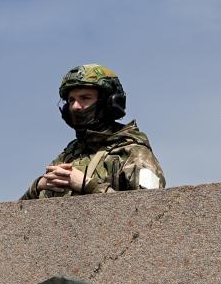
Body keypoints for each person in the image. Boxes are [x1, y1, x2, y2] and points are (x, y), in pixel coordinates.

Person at [21, 64, 166, 200]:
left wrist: (87, 185)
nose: (75, 106)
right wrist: (37, 187)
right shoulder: (66, 158)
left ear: (109, 103)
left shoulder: (133, 153)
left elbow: (151, 210)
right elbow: (16, 220)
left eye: (85, 98)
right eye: (71, 100)